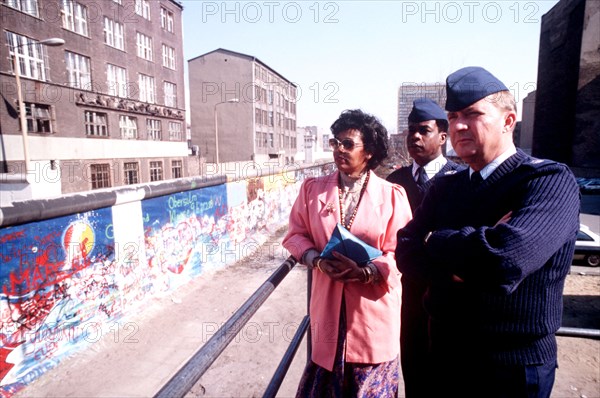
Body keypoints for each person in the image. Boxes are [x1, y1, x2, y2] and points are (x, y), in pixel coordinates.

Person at [395, 66, 580, 398]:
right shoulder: (447, 186)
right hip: (444, 359)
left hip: (510, 369)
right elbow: (405, 250)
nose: (459, 126)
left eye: (472, 114)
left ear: (508, 121)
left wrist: (435, 240)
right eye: (452, 117)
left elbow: (503, 262)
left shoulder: (545, 182)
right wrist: (471, 250)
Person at [283, 109, 412, 397]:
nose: (339, 150)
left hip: (371, 316)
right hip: (328, 311)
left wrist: (367, 272)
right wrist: (315, 260)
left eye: (348, 144)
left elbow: (403, 254)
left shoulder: (392, 196)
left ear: (369, 152)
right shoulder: (312, 191)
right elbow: (294, 236)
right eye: (335, 142)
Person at [386, 98, 463, 397]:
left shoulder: (460, 180)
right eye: (410, 131)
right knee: (414, 376)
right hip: (404, 300)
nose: (414, 137)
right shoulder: (395, 181)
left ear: (443, 137)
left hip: (449, 298)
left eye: (423, 130)